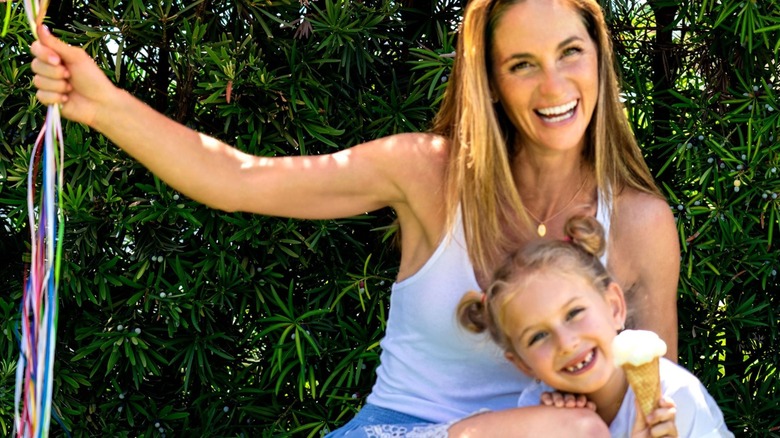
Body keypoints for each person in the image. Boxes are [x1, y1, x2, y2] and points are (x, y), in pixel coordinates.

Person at [29, 0, 679, 435]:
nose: (555, 87)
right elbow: (236, 180)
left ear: (600, 57)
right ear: (491, 80)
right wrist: (104, 105)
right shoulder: (428, 173)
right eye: (522, 65)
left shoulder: (640, 225)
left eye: (571, 52)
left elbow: (650, 416)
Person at [457, 215, 733, 438]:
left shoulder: (673, 397)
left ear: (614, 307)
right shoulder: (539, 409)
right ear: (523, 364)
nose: (566, 343)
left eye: (574, 313)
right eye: (538, 336)